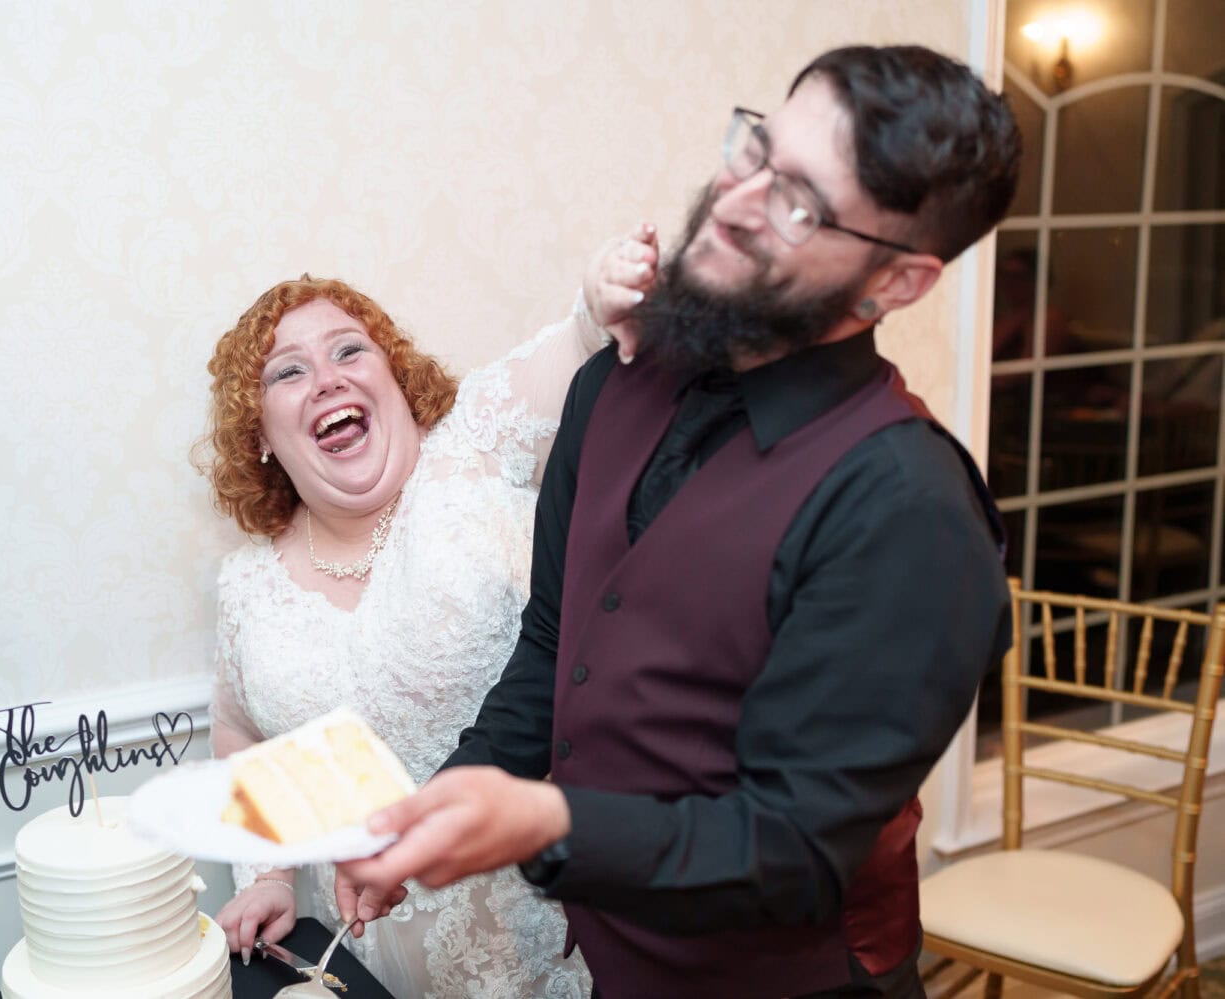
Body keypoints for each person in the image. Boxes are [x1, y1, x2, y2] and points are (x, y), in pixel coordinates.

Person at [339, 44, 1022, 998]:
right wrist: (428, 814)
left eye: (800, 205)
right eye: (755, 152)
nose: (738, 201)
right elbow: (554, 644)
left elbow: (789, 848)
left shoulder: (908, 507)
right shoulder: (614, 384)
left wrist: (546, 823)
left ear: (898, 284)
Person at [198, 230, 657, 998]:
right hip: (367, 962)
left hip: (555, 935)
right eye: (288, 371)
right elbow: (244, 735)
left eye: (350, 352)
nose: (325, 380)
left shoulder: (471, 445)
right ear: (261, 435)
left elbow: (579, 339)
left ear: (396, 377)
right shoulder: (247, 587)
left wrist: (604, 293)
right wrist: (270, 875)